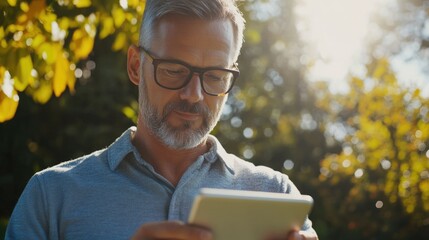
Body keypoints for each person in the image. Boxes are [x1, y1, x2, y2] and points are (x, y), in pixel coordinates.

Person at [6, 0, 318, 239]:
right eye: (173, 70)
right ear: (135, 66)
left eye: (214, 76)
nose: (193, 94)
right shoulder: (51, 196)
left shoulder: (275, 195)